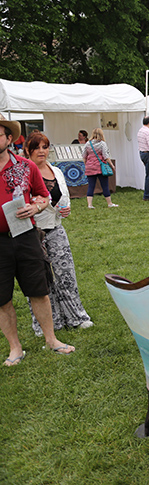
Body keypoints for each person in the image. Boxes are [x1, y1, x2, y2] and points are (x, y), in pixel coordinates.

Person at [0, 115, 75, 366]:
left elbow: (44, 197)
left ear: (9, 138)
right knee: (2, 298)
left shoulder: (26, 167)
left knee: (39, 290)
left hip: (26, 236)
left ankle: (52, 340)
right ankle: (15, 348)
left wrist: (36, 207)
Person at [24, 133, 93, 335]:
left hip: (56, 229)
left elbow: (63, 196)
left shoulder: (56, 171)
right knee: (40, 280)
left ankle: (76, 316)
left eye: (45, 147)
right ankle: (48, 322)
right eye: (37, 147)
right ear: (28, 150)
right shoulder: (24, 173)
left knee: (66, 274)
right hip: (32, 233)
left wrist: (66, 208)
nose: (42, 151)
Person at [82, 127, 117, 209]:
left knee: (91, 186)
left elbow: (84, 156)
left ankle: (89, 205)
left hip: (90, 167)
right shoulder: (102, 144)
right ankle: (109, 203)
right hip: (101, 168)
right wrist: (112, 165)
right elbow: (106, 156)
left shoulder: (88, 144)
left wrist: (87, 164)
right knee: (104, 185)